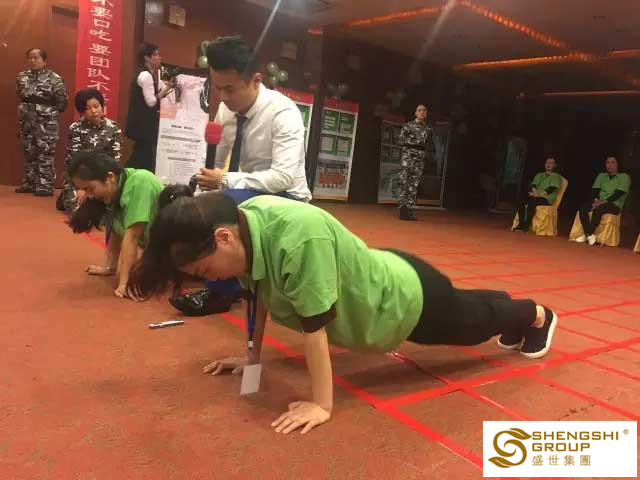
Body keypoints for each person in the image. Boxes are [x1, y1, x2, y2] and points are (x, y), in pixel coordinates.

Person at [129, 193, 559, 435]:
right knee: (467, 305)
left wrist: (321, 404)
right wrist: (251, 358)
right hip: (386, 275)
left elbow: (314, 329)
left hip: (404, 300)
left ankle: (536, 314)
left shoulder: (296, 239)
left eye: (205, 271)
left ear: (223, 238)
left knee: (473, 326)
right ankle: (501, 304)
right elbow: (257, 296)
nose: (210, 280)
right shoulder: (245, 225)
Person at [170, 35, 311, 316]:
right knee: (190, 203)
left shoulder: (284, 113)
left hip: (287, 197)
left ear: (256, 80)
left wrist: (224, 182)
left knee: (229, 206)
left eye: (230, 89)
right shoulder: (226, 110)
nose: (223, 97)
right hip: (248, 188)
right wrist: (201, 192)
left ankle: (220, 293)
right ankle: (203, 269)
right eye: (217, 88)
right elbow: (218, 162)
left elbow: (282, 177)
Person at [66, 151, 164, 298]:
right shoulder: (114, 189)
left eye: (90, 189)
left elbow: (132, 235)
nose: (89, 195)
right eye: (84, 190)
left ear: (110, 177)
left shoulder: (141, 181)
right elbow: (115, 231)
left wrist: (124, 284)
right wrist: (110, 267)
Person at [57, 88, 123, 212]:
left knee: (112, 206)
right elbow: (73, 161)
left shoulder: (114, 128)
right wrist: (82, 187)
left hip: (103, 178)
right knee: (78, 208)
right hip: (80, 179)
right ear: (82, 111)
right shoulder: (75, 128)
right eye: (88, 108)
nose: (93, 111)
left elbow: (115, 160)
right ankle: (67, 196)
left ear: (102, 106)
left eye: (96, 106)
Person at [15, 48, 68, 196]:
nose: (33, 60)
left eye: (36, 58)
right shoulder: (22, 77)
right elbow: (21, 95)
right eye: (30, 58)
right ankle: (30, 182)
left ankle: (45, 185)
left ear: (45, 61)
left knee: (45, 152)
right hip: (26, 121)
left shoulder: (54, 78)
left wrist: (48, 113)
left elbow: (62, 102)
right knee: (29, 151)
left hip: (46, 122)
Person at [124, 42, 174, 172]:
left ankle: (130, 176)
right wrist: (166, 89)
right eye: (156, 55)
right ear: (147, 58)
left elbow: (157, 93)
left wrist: (166, 88)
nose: (159, 57)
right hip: (142, 125)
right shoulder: (145, 76)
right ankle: (126, 176)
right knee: (141, 157)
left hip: (143, 125)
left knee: (143, 155)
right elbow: (151, 102)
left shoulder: (151, 74)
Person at [575, 156, 631, 245]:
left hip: (614, 204)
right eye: (607, 162)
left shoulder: (624, 177)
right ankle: (589, 234)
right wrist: (596, 200)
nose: (610, 165)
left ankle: (587, 234)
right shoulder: (601, 176)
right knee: (583, 208)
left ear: (618, 164)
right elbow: (595, 191)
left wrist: (602, 202)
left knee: (599, 209)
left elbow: (618, 194)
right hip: (599, 202)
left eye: (613, 162)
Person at [397, 104, 434, 221]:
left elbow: (429, 144)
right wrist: (413, 144)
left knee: (414, 183)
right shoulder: (408, 126)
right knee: (404, 181)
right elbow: (401, 141)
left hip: (420, 157)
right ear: (415, 113)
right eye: (419, 110)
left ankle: (409, 209)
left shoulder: (428, 129)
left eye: (424, 110)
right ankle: (402, 208)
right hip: (408, 156)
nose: (422, 112)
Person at [514, 157, 562, 232]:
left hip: (546, 198)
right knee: (521, 200)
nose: (548, 164)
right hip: (535, 195)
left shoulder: (556, 176)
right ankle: (521, 224)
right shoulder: (539, 174)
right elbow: (533, 185)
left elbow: (551, 189)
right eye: (547, 163)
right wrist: (535, 193)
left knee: (532, 202)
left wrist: (538, 195)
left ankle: (526, 225)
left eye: (550, 163)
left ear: (554, 165)